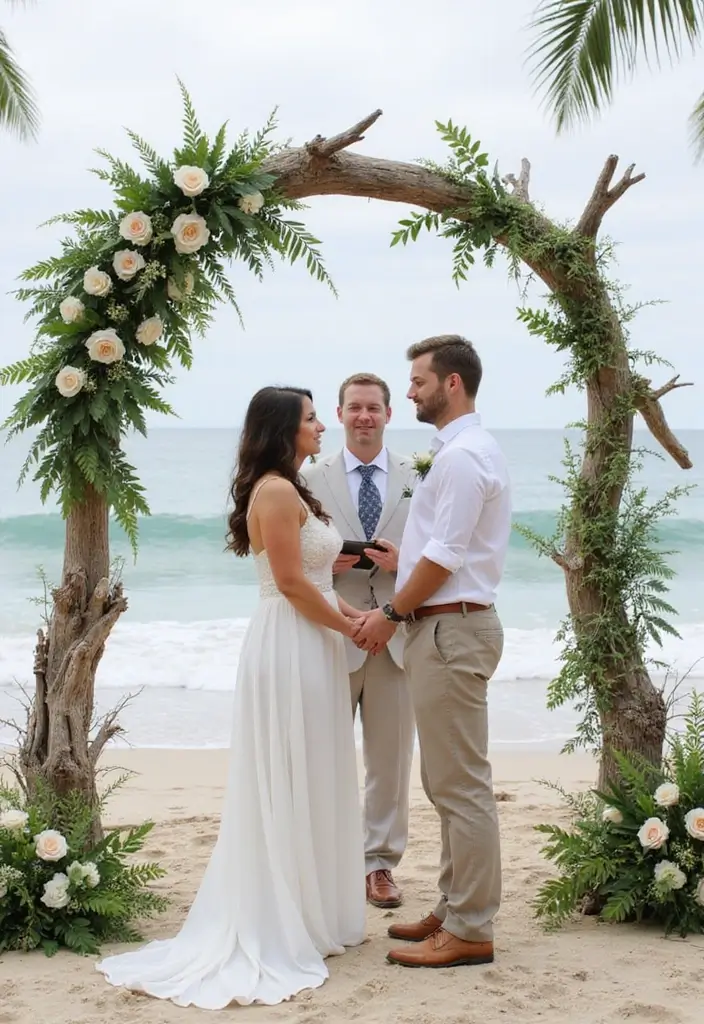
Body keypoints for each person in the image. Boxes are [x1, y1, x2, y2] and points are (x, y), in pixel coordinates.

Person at [96, 386, 367, 1008]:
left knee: (315, 768)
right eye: (311, 418)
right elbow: (292, 584)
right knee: (290, 768)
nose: (321, 426)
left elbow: (318, 580)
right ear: (283, 428)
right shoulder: (274, 492)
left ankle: (313, 910)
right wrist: (347, 626)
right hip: (290, 642)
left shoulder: (292, 488)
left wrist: (355, 619)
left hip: (313, 639)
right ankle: (284, 916)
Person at [355, 336, 512, 969]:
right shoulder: (462, 451)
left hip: (452, 630)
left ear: (452, 384)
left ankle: (471, 926)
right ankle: (452, 908)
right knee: (444, 781)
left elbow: (448, 556)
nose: (410, 391)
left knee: (461, 784)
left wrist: (391, 613)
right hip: (447, 627)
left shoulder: (463, 457)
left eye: (418, 381)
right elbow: (445, 549)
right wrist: (409, 564)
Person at [303, 373, 415, 909]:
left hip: (397, 633)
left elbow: (441, 550)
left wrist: (404, 564)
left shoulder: (419, 475)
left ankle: (379, 865)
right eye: (354, 407)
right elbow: (290, 553)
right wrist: (326, 563)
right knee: (323, 753)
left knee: (390, 760)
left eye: (373, 407)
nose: (364, 416)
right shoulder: (309, 476)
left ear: (389, 414)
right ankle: (326, 860)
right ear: (340, 413)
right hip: (333, 631)